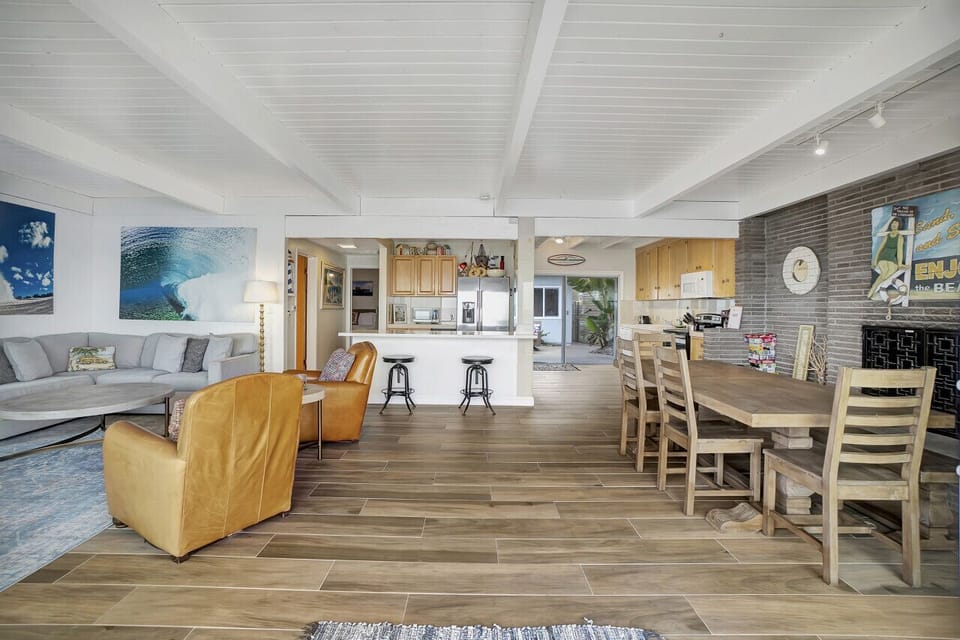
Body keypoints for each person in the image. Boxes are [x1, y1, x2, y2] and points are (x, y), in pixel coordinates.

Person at [867, 217, 910, 299]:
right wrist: (875, 261)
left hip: (893, 259)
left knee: (887, 274)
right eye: (893, 223)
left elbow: (900, 251)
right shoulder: (887, 236)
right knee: (884, 273)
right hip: (884, 257)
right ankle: (873, 290)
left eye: (896, 223)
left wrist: (900, 263)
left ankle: (872, 289)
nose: (894, 224)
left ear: (899, 225)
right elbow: (880, 249)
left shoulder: (900, 237)